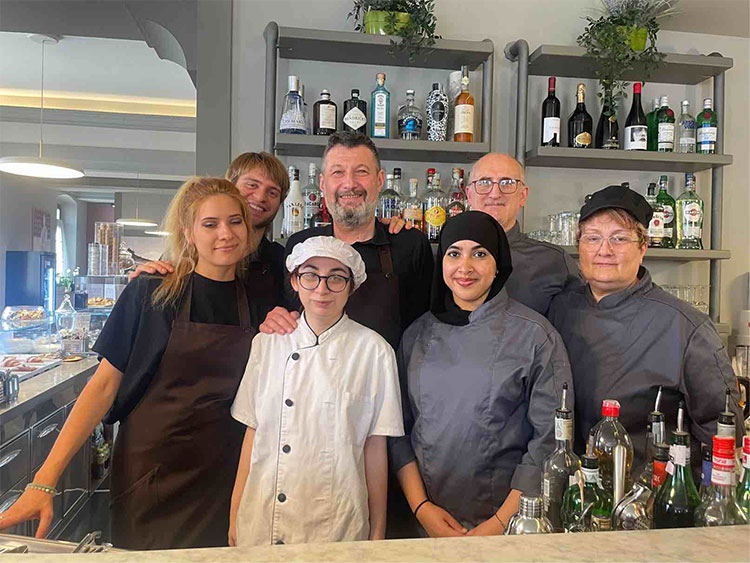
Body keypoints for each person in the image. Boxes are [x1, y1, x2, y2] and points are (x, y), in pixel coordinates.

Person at [0, 177, 259, 549]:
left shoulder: (256, 301)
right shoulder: (150, 292)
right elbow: (102, 387)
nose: (226, 233)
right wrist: (44, 480)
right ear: (188, 231)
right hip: (152, 472)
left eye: (235, 222)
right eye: (210, 224)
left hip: (224, 474)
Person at [389, 211, 573, 537]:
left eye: (480, 254)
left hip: (510, 526)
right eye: (454, 253)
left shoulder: (535, 336)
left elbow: (550, 440)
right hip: (425, 524)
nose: (465, 267)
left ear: (498, 263)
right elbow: (398, 430)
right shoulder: (416, 335)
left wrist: (500, 522)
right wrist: (422, 508)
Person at [548, 184, 744, 472]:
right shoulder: (559, 310)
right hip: (567, 487)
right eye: (593, 238)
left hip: (646, 497)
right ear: (579, 246)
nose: (604, 250)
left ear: (643, 246)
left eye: (619, 238)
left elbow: (723, 433)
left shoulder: (687, 327)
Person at [229, 236, 404, 546]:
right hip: (261, 517)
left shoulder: (375, 352)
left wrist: (377, 530)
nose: (322, 289)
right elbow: (252, 434)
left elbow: (374, 448)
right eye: (310, 275)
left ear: (352, 286)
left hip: (338, 524)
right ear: (295, 281)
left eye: (336, 278)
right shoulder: (267, 343)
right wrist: (235, 514)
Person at [261, 132, 434, 351]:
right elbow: (289, 318)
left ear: (380, 180)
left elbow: (424, 332)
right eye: (338, 173)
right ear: (322, 184)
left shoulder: (410, 245)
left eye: (361, 172)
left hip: (385, 381)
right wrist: (278, 318)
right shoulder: (300, 246)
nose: (349, 184)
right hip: (315, 381)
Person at [132, 152, 290, 320]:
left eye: (272, 192)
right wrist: (141, 288)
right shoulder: (165, 271)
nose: (260, 197)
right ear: (230, 185)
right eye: (252, 185)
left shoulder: (282, 263)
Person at [466, 153, 581, 316]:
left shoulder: (554, 262)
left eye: (507, 183)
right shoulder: (447, 261)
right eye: (484, 182)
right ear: (469, 195)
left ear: (523, 195)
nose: (495, 193)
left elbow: (576, 329)